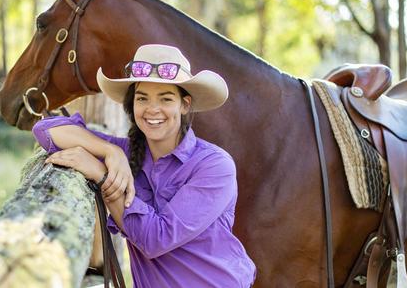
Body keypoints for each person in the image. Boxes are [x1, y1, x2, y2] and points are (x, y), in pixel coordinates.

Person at [32, 44, 256, 288]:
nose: (152, 109)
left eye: (166, 98)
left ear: (185, 105)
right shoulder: (124, 155)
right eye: (142, 98)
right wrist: (110, 151)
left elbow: (155, 238)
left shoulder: (214, 166)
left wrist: (101, 174)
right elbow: (46, 131)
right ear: (132, 104)